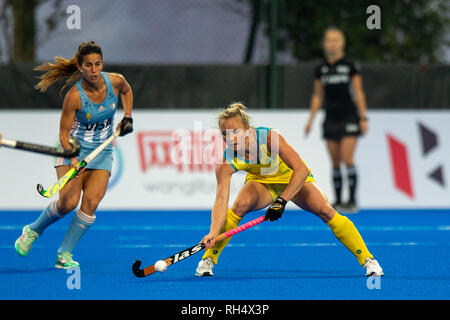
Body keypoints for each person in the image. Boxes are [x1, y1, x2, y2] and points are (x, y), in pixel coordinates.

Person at [195, 103, 382, 277]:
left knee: (325, 210)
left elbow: (301, 170)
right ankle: (208, 259)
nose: (230, 138)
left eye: (235, 131)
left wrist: (281, 201)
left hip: (293, 179)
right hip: (262, 183)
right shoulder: (226, 162)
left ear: (248, 130)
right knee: (239, 206)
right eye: (225, 134)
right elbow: (221, 200)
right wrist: (213, 232)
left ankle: (368, 259)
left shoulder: (269, 138)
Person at [14, 41, 134, 269]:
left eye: (97, 64)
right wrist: (73, 159)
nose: (94, 70)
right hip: (73, 149)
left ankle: (64, 254)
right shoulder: (74, 96)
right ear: (80, 67)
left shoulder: (115, 81)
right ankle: (32, 230)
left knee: (91, 202)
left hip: (103, 151)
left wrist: (127, 116)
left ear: (102, 64)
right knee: (68, 203)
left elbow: (127, 90)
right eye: (88, 65)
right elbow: (63, 133)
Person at [304, 27, 369, 213]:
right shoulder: (321, 68)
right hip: (330, 118)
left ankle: (352, 200)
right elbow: (317, 95)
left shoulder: (350, 65)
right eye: (329, 40)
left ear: (342, 43)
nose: (332, 44)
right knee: (335, 161)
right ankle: (338, 200)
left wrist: (363, 117)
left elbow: (358, 92)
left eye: (336, 40)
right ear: (324, 44)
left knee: (347, 158)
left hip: (349, 116)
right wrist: (310, 119)